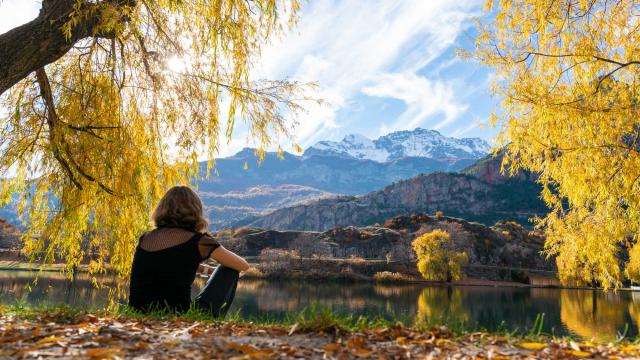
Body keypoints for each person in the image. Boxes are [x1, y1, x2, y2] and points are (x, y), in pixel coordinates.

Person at [128, 185, 249, 317]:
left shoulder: (146, 238)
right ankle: (212, 319)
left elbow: (170, 263)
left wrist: (204, 269)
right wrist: (214, 270)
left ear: (162, 209)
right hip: (177, 314)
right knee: (229, 269)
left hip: (137, 310)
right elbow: (243, 265)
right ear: (195, 211)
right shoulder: (199, 241)